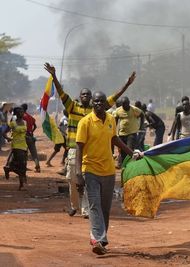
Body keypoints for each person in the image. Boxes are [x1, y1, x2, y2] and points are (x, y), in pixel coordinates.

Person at [44, 62, 135, 217]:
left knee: (88, 180)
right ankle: (74, 205)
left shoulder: (98, 109)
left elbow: (115, 97)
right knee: (73, 180)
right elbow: (61, 92)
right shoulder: (72, 107)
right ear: (80, 97)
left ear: (92, 99)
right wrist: (53, 76)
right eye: (83, 94)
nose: (86, 96)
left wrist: (127, 83)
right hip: (74, 150)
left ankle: (86, 209)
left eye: (88, 95)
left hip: (91, 151)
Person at [75, 91, 142, 255]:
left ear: (106, 104)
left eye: (101, 101)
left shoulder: (111, 119)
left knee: (105, 207)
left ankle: (101, 239)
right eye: (96, 101)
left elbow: (115, 139)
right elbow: (79, 147)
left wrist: (131, 152)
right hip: (90, 169)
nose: (98, 104)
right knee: (94, 205)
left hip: (109, 171)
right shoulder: (85, 122)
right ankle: (97, 239)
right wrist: (78, 173)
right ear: (92, 104)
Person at [3, 106, 28, 190]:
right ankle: (22, 185)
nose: (22, 113)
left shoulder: (25, 122)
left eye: (22, 111)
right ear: (16, 114)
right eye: (20, 112)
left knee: (23, 164)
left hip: (24, 145)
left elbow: (25, 133)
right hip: (16, 146)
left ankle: (8, 169)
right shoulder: (13, 123)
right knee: (22, 165)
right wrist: (8, 138)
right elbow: (4, 133)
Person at [113, 97, 144, 164]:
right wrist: (113, 129)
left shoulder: (134, 109)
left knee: (129, 150)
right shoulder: (118, 110)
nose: (125, 106)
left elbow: (142, 115)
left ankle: (130, 164)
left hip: (131, 134)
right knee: (122, 151)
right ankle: (124, 165)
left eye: (126, 104)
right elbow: (116, 119)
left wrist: (141, 126)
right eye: (123, 104)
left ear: (129, 103)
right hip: (122, 134)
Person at [21, 103, 40, 173]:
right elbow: (35, 126)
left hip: (24, 136)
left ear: (22, 109)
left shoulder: (22, 116)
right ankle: (38, 167)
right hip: (31, 136)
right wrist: (31, 131)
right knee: (34, 153)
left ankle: (24, 167)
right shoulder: (30, 117)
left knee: (23, 152)